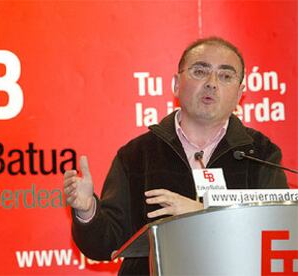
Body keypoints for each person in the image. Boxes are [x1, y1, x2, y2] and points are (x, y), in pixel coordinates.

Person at [63, 37, 288, 275]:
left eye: (225, 76)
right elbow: (104, 245)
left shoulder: (260, 153)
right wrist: (87, 211)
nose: (212, 83)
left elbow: (277, 234)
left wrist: (202, 214)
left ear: (240, 93)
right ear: (176, 84)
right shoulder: (137, 155)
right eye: (200, 71)